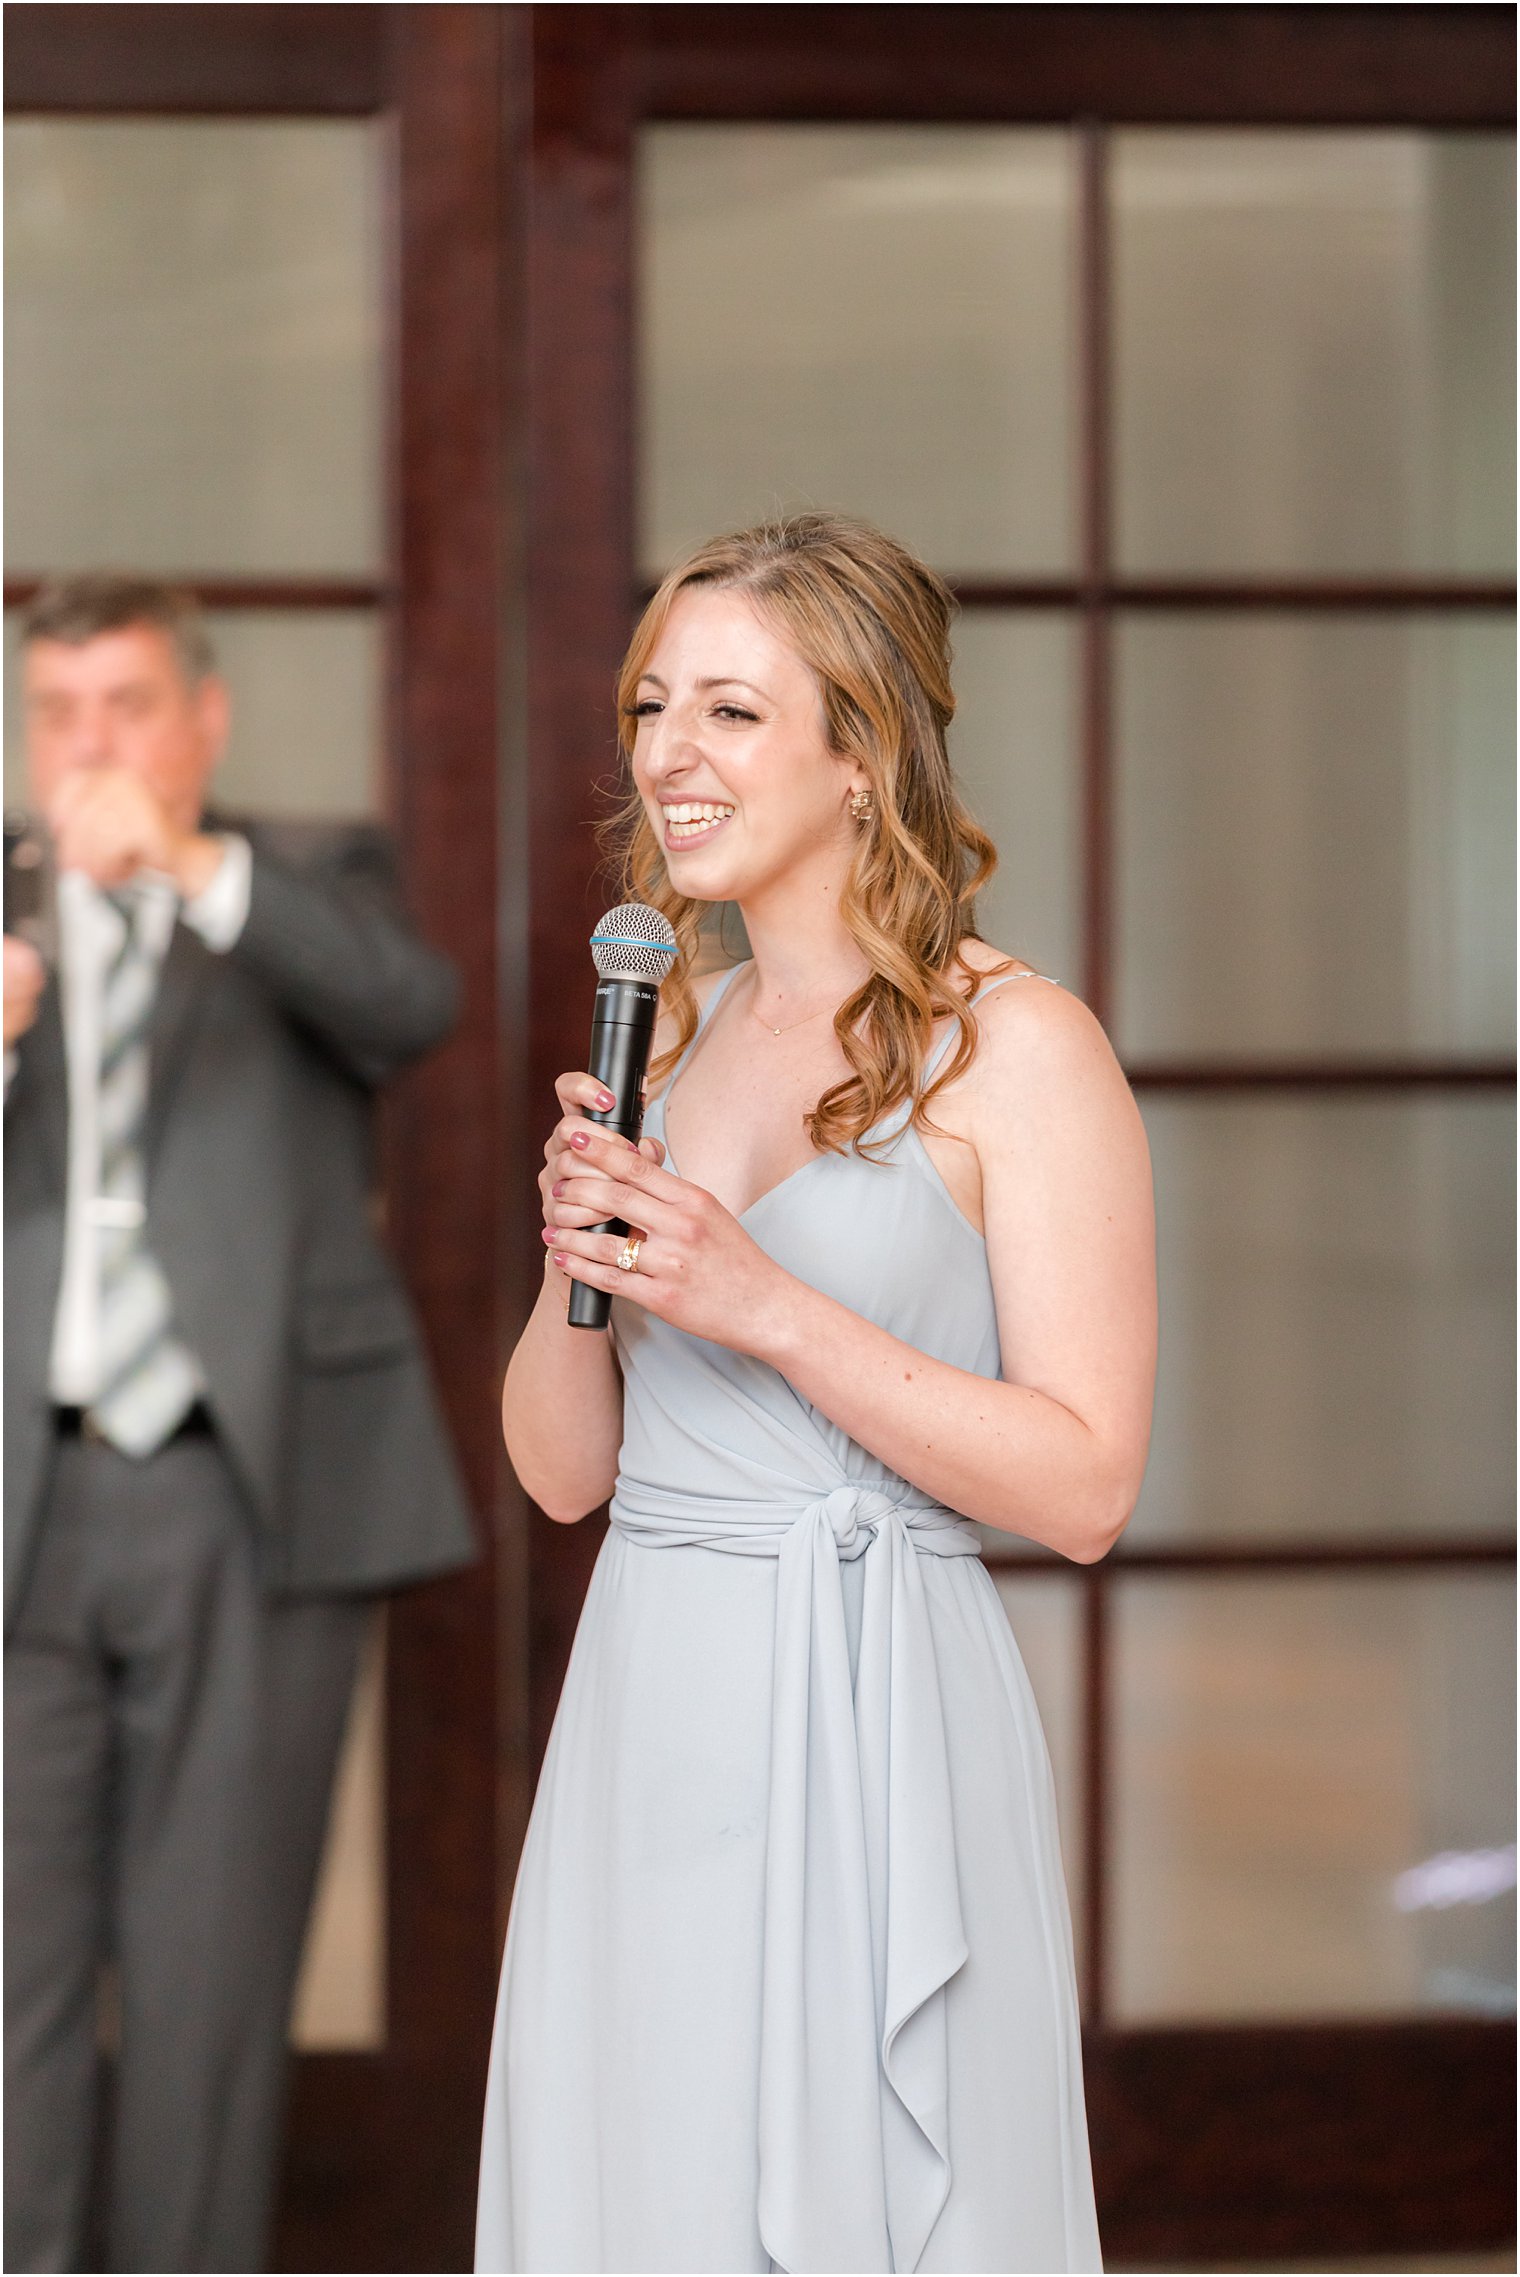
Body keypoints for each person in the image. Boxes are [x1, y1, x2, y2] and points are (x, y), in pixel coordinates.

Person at [476, 514, 1156, 2274]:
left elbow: (1086, 1485)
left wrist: (761, 1301)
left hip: (881, 1714)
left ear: (862, 755)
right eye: (650, 707)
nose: (668, 757)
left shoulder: (1019, 1046)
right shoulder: (665, 1031)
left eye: (731, 712)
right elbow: (562, 1476)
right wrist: (577, 1268)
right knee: (649, 2182)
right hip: (654, 1699)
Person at [4, 576, 477, 2275]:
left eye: (127, 706)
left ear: (201, 720)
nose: (91, 747)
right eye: (58, 713)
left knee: (209, 1986)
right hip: (22, 1498)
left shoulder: (308, 875)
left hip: (249, 1488)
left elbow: (408, 1009)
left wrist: (194, 872)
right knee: (12, 1985)